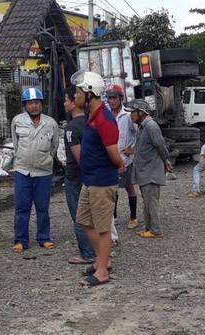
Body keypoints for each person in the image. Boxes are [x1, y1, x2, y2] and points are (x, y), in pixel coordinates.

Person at [72, 70, 125, 288]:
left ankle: (102, 271)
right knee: (83, 221)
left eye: (77, 92)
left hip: (102, 182)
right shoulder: (92, 117)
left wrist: (119, 164)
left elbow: (114, 154)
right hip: (90, 180)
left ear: (89, 93)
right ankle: (103, 260)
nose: (75, 97)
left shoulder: (104, 119)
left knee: (103, 228)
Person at [11, 88, 60, 253]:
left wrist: (46, 160)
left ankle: (44, 238)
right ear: (25, 105)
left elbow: (54, 147)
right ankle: (20, 240)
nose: (34, 106)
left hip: (43, 173)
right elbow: (16, 144)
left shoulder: (51, 123)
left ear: (42, 104)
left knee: (42, 208)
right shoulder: (17, 121)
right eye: (30, 103)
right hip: (22, 171)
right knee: (21, 207)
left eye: (37, 102)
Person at [124, 99, 170, 239]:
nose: (131, 116)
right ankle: (149, 228)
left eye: (133, 112)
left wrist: (165, 161)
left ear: (141, 113)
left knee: (151, 201)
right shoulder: (142, 126)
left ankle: (156, 230)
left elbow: (161, 146)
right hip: (145, 170)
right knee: (147, 201)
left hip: (151, 170)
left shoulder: (151, 126)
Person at [63, 86, 96, 265]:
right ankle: (98, 249)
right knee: (93, 215)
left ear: (74, 103)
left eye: (66, 100)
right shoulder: (92, 121)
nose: (64, 104)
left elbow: (80, 157)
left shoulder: (71, 129)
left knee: (79, 216)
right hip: (94, 176)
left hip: (76, 176)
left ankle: (88, 253)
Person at [106, 84, 138, 230]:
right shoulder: (106, 115)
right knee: (112, 188)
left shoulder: (128, 115)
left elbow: (139, 132)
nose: (111, 101)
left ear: (121, 98)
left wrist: (133, 149)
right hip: (111, 157)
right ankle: (114, 216)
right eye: (109, 98)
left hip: (126, 159)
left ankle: (133, 217)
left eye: (114, 98)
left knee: (128, 186)